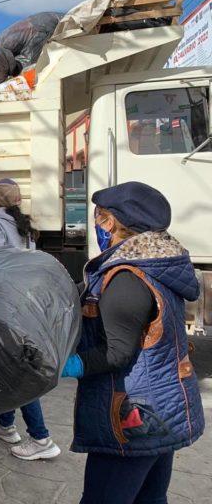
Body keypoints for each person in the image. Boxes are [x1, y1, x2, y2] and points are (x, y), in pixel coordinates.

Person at [61, 181, 203, 504]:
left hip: (132, 420)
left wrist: (68, 365)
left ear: (110, 222)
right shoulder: (160, 265)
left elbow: (117, 353)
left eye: (99, 216)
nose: (97, 223)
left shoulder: (127, 277)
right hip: (161, 411)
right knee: (150, 499)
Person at [0, 178, 61, 461]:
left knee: (17, 370)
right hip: (21, 303)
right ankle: (5, 424)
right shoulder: (22, 227)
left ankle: (41, 437)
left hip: (1, 305)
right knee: (4, 365)